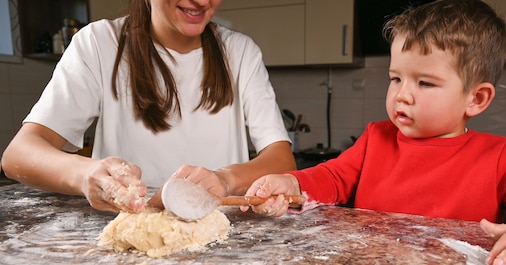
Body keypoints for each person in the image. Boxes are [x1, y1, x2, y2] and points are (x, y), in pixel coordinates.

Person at [241, 0, 506, 265]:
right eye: (396, 78)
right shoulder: (375, 139)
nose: (402, 95)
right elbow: (332, 178)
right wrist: (293, 183)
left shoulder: (498, 157)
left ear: (476, 99)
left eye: (425, 83)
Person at [0, 0, 296, 213]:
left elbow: (282, 160)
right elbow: (18, 156)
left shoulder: (240, 52)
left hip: (220, 237)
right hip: (129, 239)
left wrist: (225, 179)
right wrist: (85, 174)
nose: (202, 2)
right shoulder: (98, 44)